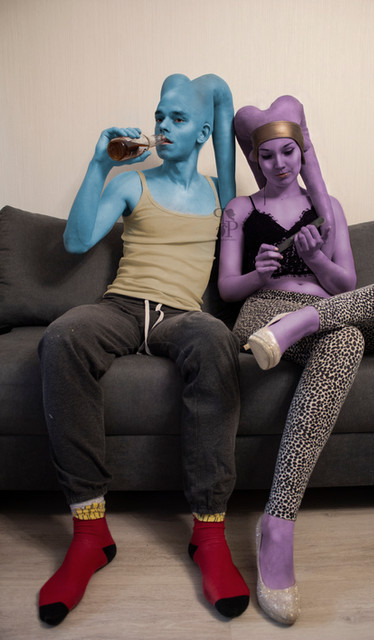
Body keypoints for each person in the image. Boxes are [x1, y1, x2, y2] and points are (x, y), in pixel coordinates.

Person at [37, 73, 250, 626]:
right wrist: (99, 165)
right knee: (62, 336)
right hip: (123, 307)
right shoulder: (133, 182)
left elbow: (222, 101)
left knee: (217, 341)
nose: (162, 126)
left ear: (203, 132)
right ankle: (90, 532)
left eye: (177, 118)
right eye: (159, 116)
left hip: (184, 316)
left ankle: (208, 534)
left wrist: (208, 92)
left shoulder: (223, 194)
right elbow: (77, 241)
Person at [218, 95, 374, 625]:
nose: (280, 163)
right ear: (255, 159)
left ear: (301, 151)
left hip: (331, 308)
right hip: (264, 314)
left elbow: (347, 285)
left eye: (289, 152)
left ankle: (307, 321)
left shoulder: (328, 206)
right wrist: (260, 273)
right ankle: (278, 524)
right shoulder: (240, 210)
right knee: (347, 341)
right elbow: (227, 290)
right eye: (267, 156)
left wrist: (314, 258)